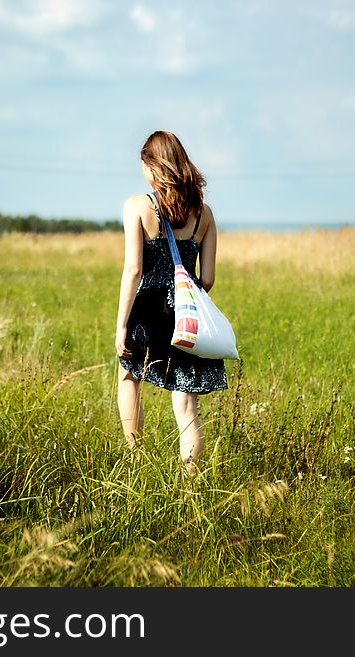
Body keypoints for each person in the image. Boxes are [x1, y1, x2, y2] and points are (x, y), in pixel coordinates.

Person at [115, 130, 227, 476]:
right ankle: (190, 480)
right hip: (186, 315)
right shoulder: (204, 214)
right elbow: (207, 279)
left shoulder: (137, 207)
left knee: (129, 377)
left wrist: (121, 326)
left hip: (148, 308)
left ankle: (135, 461)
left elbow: (133, 270)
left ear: (154, 166)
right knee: (185, 403)